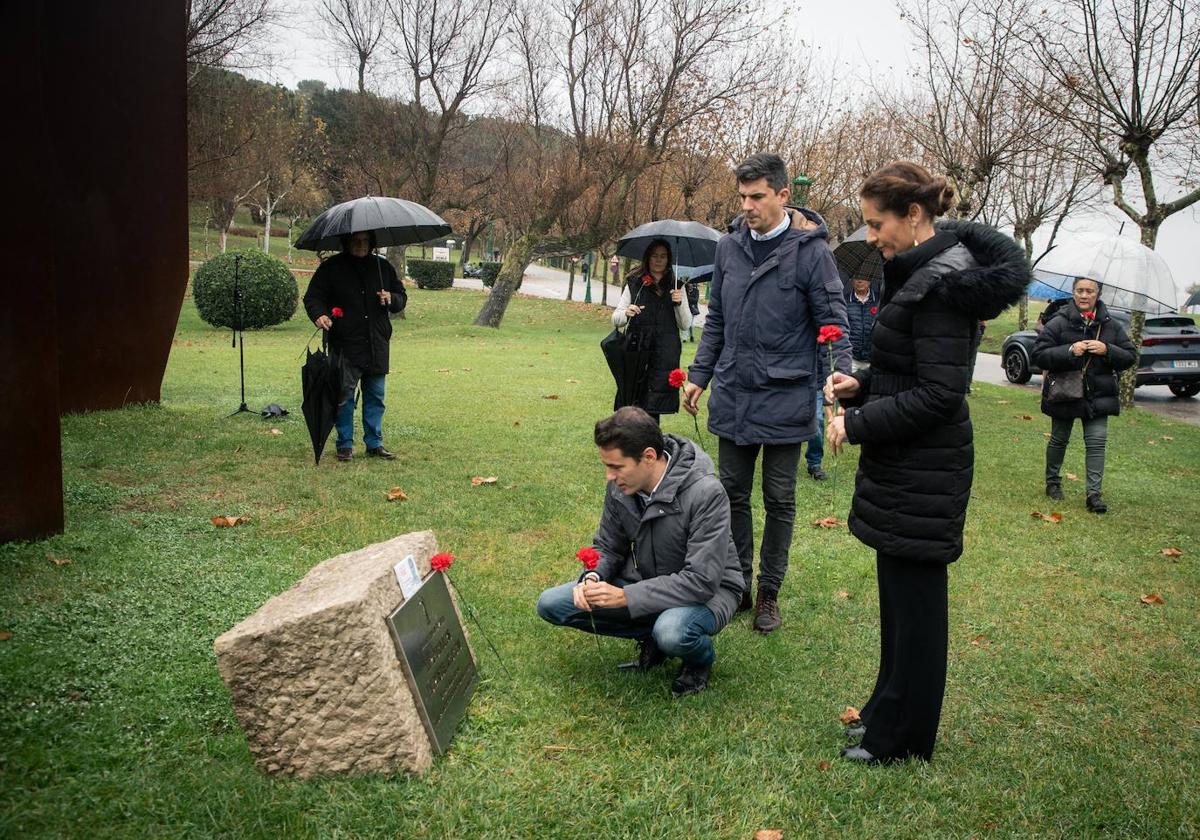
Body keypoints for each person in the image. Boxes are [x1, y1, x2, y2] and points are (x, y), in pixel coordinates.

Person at [825, 161, 1027, 764]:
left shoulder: (942, 284)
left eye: (875, 223)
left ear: (913, 217)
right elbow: (910, 370)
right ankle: (885, 714)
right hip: (908, 465)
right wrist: (862, 384)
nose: (868, 237)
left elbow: (941, 396)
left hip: (926, 467)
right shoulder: (920, 272)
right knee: (898, 606)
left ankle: (904, 742)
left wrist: (855, 423)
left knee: (916, 614)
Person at [682, 153, 851, 634]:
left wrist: (838, 373)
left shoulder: (812, 253)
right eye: (742, 197)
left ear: (783, 196)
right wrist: (699, 374)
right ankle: (737, 584)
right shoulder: (729, 249)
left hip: (785, 395)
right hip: (735, 392)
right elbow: (717, 319)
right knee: (731, 494)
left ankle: (769, 594)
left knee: (779, 499)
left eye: (757, 196)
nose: (748, 206)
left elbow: (833, 323)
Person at [535, 407, 744, 698]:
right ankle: (651, 635)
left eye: (617, 467)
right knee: (552, 603)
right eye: (607, 466)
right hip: (648, 581)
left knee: (672, 631)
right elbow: (608, 545)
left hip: (711, 590)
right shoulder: (621, 487)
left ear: (648, 456)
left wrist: (626, 596)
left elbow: (701, 580)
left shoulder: (706, 492)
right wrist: (594, 576)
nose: (610, 476)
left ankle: (697, 662)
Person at [303, 231, 407, 462]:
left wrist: (391, 298)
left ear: (371, 243)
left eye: (365, 241)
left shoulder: (382, 266)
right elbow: (312, 297)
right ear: (346, 242)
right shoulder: (331, 268)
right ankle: (345, 445)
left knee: (376, 397)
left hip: (377, 344)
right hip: (345, 344)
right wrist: (319, 315)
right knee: (344, 396)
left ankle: (374, 443)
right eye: (355, 241)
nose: (361, 245)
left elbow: (401, 297)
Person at [1033, 277, 1135, 513]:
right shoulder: (1058, 322)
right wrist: (1070, 350)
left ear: (1098, 294)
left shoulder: (1111, 326)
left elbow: (1129, 357)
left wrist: (1107, 349)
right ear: (1073, 292)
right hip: (1065, 392)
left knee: (1097, 443)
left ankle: (1094, 495)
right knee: (1059, 439)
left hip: (1099, 395)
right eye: (1080, 290)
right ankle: (1053, 483)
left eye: (1090, 291)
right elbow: (1039, 355)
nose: (1084, 295)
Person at [610, 240, 692, 421]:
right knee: (633, 401)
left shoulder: (677, 286)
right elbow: (616, 319)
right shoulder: (634, 283)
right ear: (647, 257)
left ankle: (651, 443)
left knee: (654, 405)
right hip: (637, 351)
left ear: (669, 259)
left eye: (663, 256)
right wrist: (627, 312)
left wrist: (678, 303)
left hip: (664, 352)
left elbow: (686, 324)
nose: (658, 260)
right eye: (654, 255)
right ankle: (630, 442)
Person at [844, 276, 879, 372]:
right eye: (856, 277)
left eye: (863, 277)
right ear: (851, 280)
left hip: (873, 359)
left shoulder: (879, 300)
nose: (860, 280)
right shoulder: (844, 301)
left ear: (870, 280)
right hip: (851, 359)